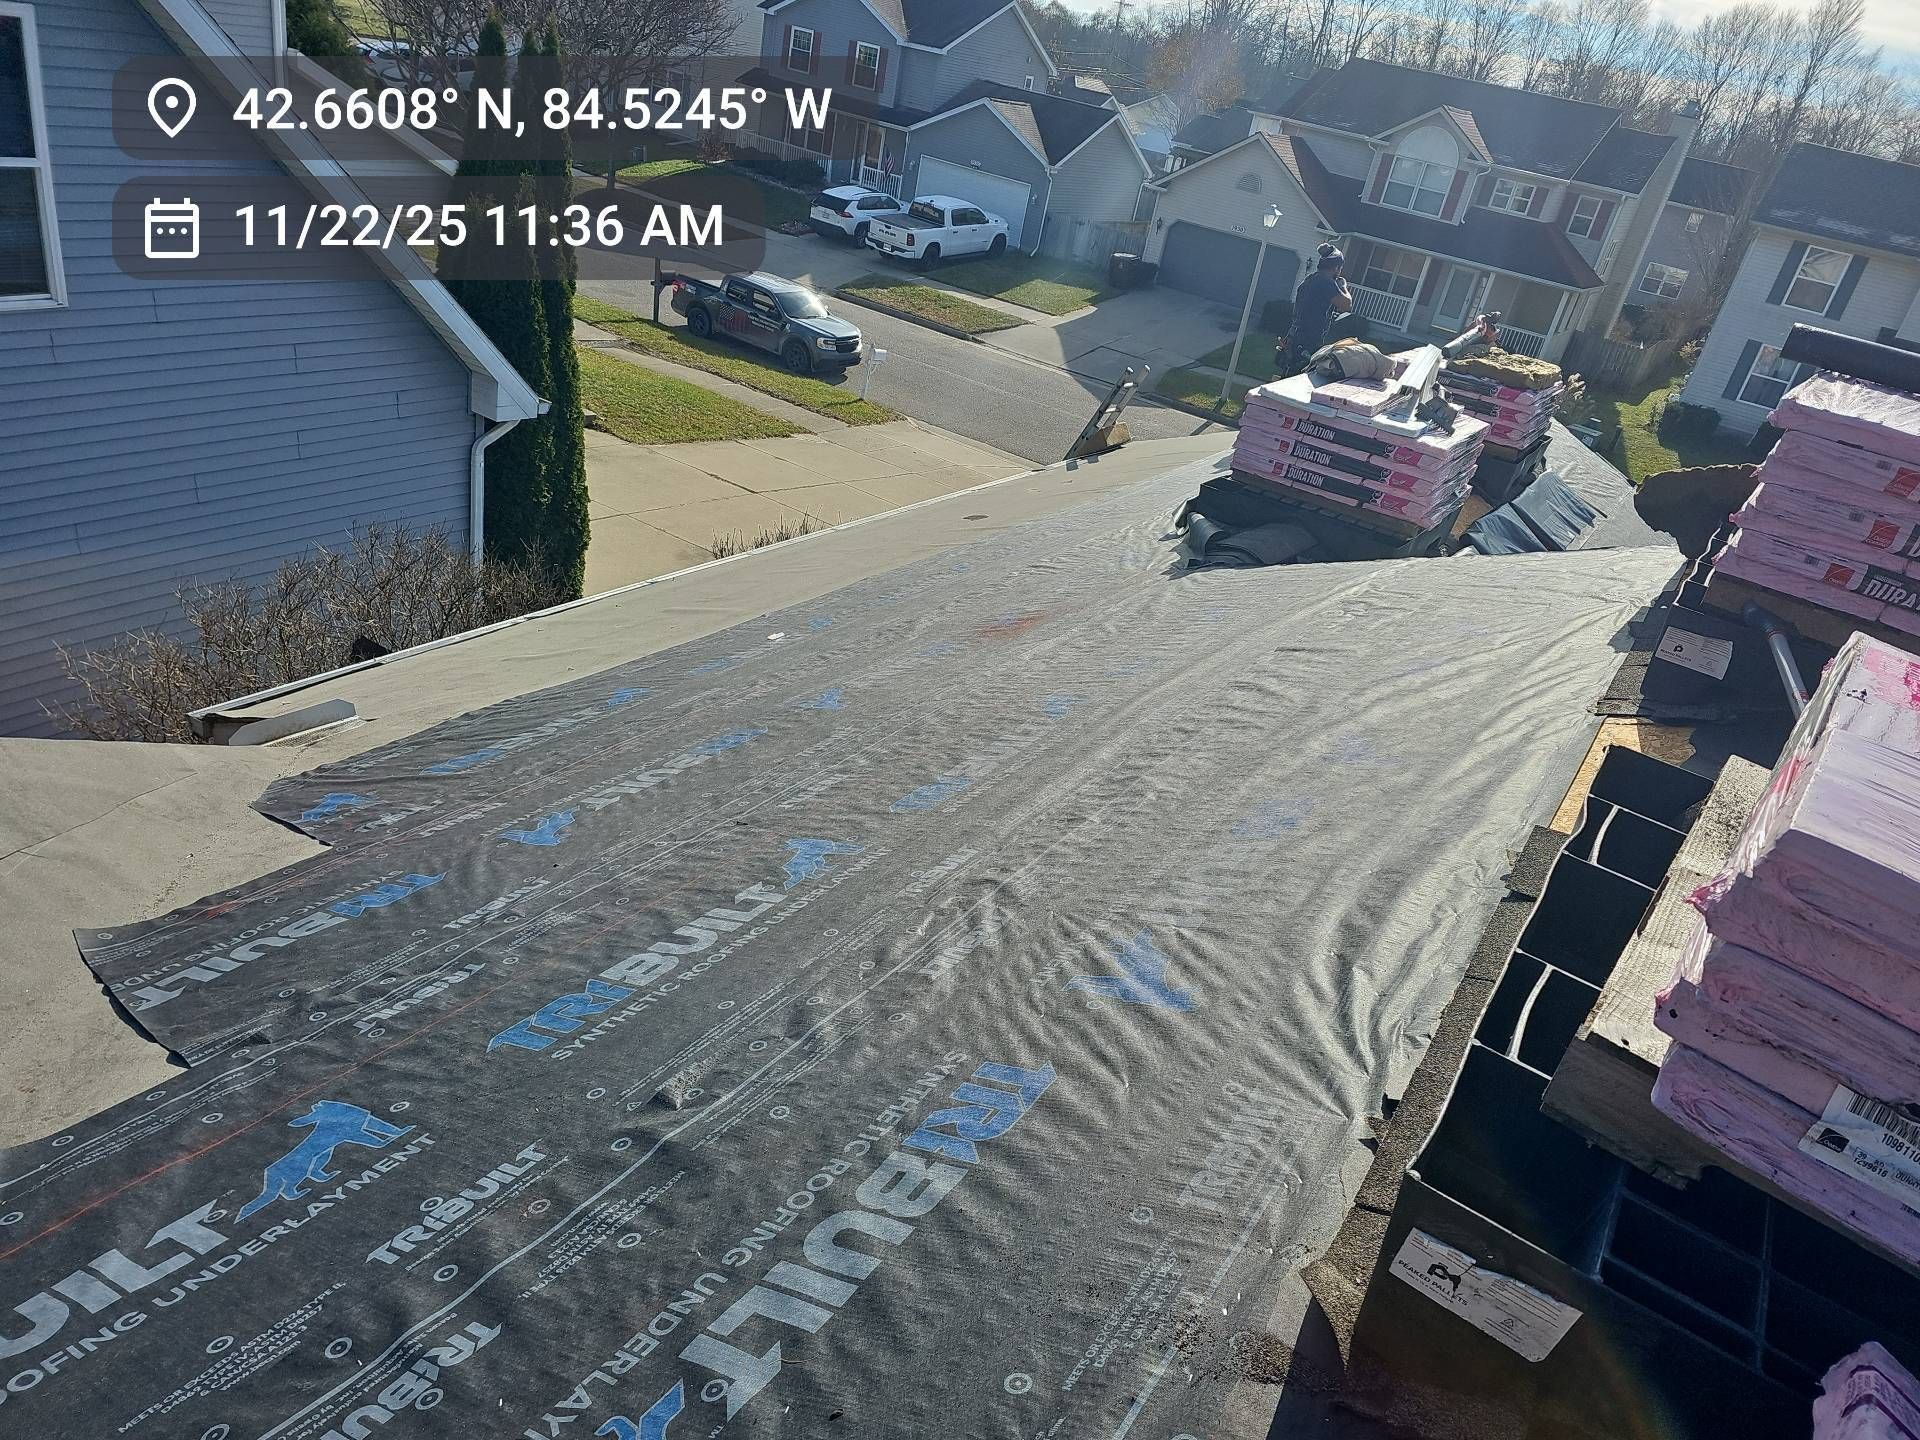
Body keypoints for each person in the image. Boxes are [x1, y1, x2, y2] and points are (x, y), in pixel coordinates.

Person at [1279, 244, 1355, 375]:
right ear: (1336, 267)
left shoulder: (1310, 280)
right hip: (1308, 340)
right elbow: (1346, 305)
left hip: (1295, 336)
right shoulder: (1326, 283)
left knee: (1288, 375)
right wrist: (1343, 286)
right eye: (1340, 268)